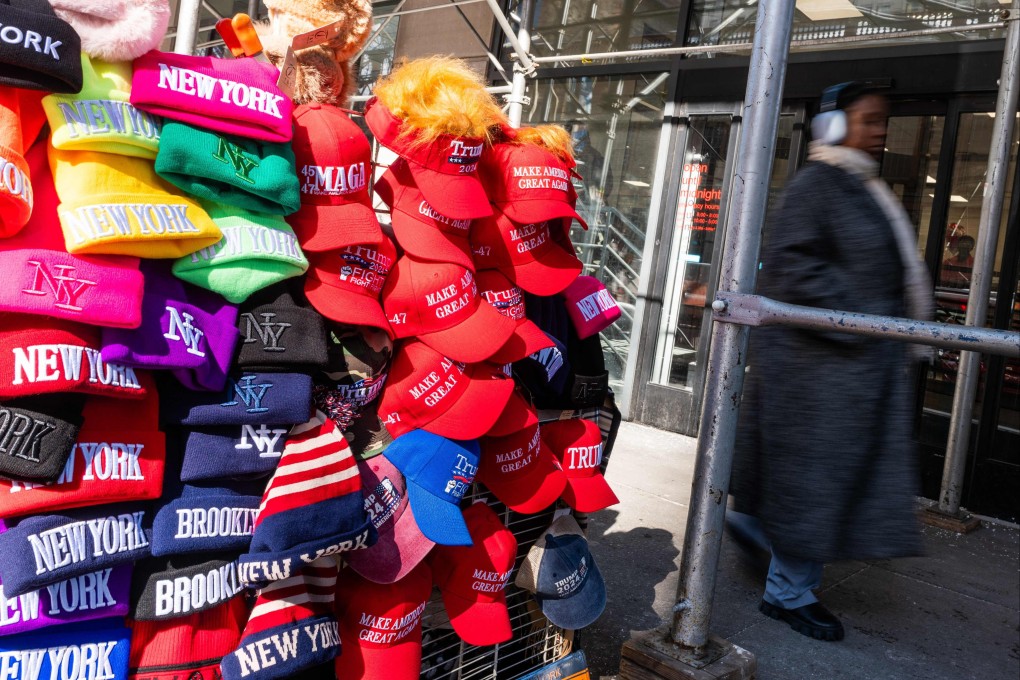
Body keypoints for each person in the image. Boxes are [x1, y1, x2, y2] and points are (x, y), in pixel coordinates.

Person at [729, 82, 935, 642]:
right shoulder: (818, 184)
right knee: (814, 484)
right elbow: (793, 271)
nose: (880, 131)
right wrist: (870, 318)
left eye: (883, 121)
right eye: (868, 119)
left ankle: (752, 526)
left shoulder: (860, 186)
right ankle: (787, 593)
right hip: (820, 371)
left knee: (811, 483)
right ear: (833, 125)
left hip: (849, 368)